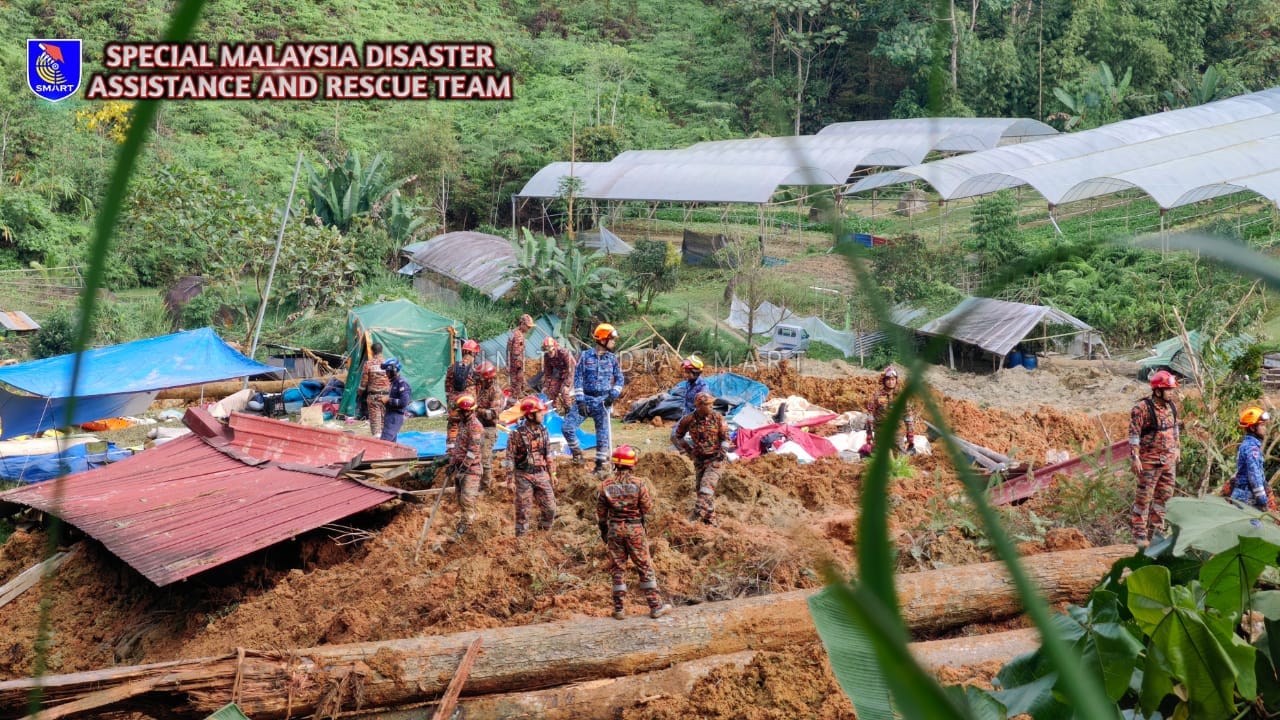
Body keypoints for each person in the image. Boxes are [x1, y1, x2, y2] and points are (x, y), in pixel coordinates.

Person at [595, 445, 672, 620]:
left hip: (614, 529)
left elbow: (600, 514)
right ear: (632, 464)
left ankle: (619, 609)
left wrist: (604, 531)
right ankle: (655, 606)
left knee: (617, 567)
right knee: (644, 567)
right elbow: (647, 508)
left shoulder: (605, 485)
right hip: (635, 529)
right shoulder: (639, 484)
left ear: (615, 464)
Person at [1129, 369, 1181, 546]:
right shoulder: (1142, 409)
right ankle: (1140, 535)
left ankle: (1157, 533)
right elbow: (1134, 434)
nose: (1172, 393)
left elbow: (1175, 429)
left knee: (1164, 499)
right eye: (1169, 389)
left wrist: (1177, 448)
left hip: (1168, 461)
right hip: (1149, 462)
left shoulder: (1171, 407)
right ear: (1158, 391)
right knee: (1144, 499)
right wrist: (1135, 457)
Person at [574, 323, 625, 476]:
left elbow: (620, 379)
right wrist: (580, 400)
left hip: (603, 401)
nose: (614, 342)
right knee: (568, 427)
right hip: (587, 398)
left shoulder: (612, 359)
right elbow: (577, 379)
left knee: (603, 435)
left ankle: (599, 467)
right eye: (612, 339)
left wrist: (612, 396)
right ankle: (578, 456)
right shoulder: (585, 356)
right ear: (603, 340)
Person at [672, 392, 731, 524]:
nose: (711, 407)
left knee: (706, 489)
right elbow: (677, 436)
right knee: (702, 493)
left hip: (716, 460)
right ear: (699, 406)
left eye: (711, 404)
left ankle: (696, 514)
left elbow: (726, 439)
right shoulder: (689, 419)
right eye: (708, 405)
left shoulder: (717, 418)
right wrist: (688, 450)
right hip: (699, 460)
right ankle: (711, 523)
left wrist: (721, 457)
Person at [508, 396, 558, 536]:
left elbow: (548, 454)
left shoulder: (544, 432)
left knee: (551, 509)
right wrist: (510, 479)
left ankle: (543, 533)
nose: (542, 415)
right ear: (530, 415)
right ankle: (521, 539)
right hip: (523, 475)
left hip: (541, 474)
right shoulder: (516, 434)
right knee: (523, 510)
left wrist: (552, 474)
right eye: (539, 412)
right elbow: (509, 458)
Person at [541, 337, 582, 463]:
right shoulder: (547, 357)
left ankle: (570, 414)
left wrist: (566, 384)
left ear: (555, 347)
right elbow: (548, 372)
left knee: (564, 391)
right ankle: (553, 413)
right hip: (559, 374)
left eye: (551, 349)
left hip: (571, 372)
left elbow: (570, 370)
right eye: (547, 350)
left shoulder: (564, 353)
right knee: (550, 391)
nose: (549, 352)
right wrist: (547, 385)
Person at [449, 394, 484, 539]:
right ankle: (465, 522)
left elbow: (472, 451)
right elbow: (458, 447)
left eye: (461, 412)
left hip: (471, 470)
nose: (459, 414)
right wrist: (452, 464)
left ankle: (467, 528)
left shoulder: (475, 426)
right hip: (460, 467)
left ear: (468, 411)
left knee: (467, 499)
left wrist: (462, 469)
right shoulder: (463, 423)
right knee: (460, 499)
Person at [473, 361, 507, 491]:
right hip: (479, 426)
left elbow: (493, 414)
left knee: (484, 457)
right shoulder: (483, 388)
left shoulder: (495, 392)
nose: (479, 381)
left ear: (488, 379)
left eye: (481, 379)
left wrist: (478, 410)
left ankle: (486, 487)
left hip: (489, 429)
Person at [867, 366, 916, 453]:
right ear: (884, 381)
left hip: (896, 431)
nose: (890, 382)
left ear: (896, 380)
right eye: (888, 379)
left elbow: (908, 415)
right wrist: (869, 433)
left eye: (893, 379)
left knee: (901, 456)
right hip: (880, 431)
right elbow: (870, 415)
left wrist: (910, 433)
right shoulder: (877, 395)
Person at [1231, 406, 1271, 511]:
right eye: (1262, 425)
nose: (1265, 428)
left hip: (1242, 495)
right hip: (1247, 498)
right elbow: (1254, 477)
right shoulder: (1251, 449)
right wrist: (1263, 501)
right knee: (1254, 527)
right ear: (1253, 428)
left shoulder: (1247, 445)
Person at [445, 339, 481, 452]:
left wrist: (450, 401)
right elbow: (480, 389)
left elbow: (447, 386)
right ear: (475, 353)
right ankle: (465, 450)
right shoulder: (476, 370)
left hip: (453, 404)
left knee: (453, 426)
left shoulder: (453, 367)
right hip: (467, 405)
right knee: (468, 426)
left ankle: (451, 452)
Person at [358, 341, 390, 437]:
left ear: (372, 352)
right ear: (382, 351)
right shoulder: (388, 363)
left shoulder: (369, 364)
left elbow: (364, 382)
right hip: (386, 396)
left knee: (375, 422)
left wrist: (360, 391)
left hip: (373, 397)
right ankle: (387, 440)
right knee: (385, 420)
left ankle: (378, 442)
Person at [379, 358, 413, 443]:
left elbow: (404, 402)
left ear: (394, 370)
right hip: (390, 415)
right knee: (390, 444)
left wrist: (389, 400)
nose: (386, 374)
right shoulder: (394, 382)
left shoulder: (402, 383)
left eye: (388, 371)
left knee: (384, 443)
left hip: (395, 417)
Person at [507, 313, 535, 395]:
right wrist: (520, 370)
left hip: (512, 365)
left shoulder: (513, 333)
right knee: (518, 387)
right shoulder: (518, 336)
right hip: (516, 367)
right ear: (522, 324)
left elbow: (508, 350)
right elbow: (516, 353)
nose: (529, 329)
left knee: (514, 385)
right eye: (528, 326)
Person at [677, 355, 709, 420]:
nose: (685, 375)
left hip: (695, 419)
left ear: (696, 373)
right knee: (675, 430)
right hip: (686, 415)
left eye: (688, 373)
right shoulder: (689, 382)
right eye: (685, 372)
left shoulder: (703, 388)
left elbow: (702, 410)